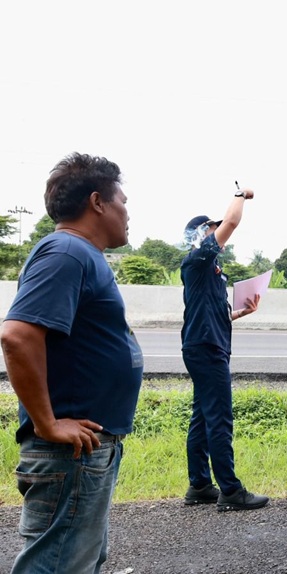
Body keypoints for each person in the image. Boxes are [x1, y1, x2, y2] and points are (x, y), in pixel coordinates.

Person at [0, 153, 143, 573]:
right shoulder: (66, 251)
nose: (127, 212)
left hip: (85, 449)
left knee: (77, 561)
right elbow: (17, 335)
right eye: (123, 201)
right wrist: (47, 423)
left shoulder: (80, 254)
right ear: (98, 202)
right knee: (59, 564)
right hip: (68, 451)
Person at [179, 188, 269, 512]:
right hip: (207, 349)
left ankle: (199, 484)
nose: (219, 234)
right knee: (219, 418)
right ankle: (230, 490)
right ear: (201, 235)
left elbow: (210, 312)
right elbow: (231, 220)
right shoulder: (198, 260)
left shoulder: (212, 271)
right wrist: (241, 194)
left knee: (203, 416)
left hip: (205, 344)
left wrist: (239, 313)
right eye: (211, 229)